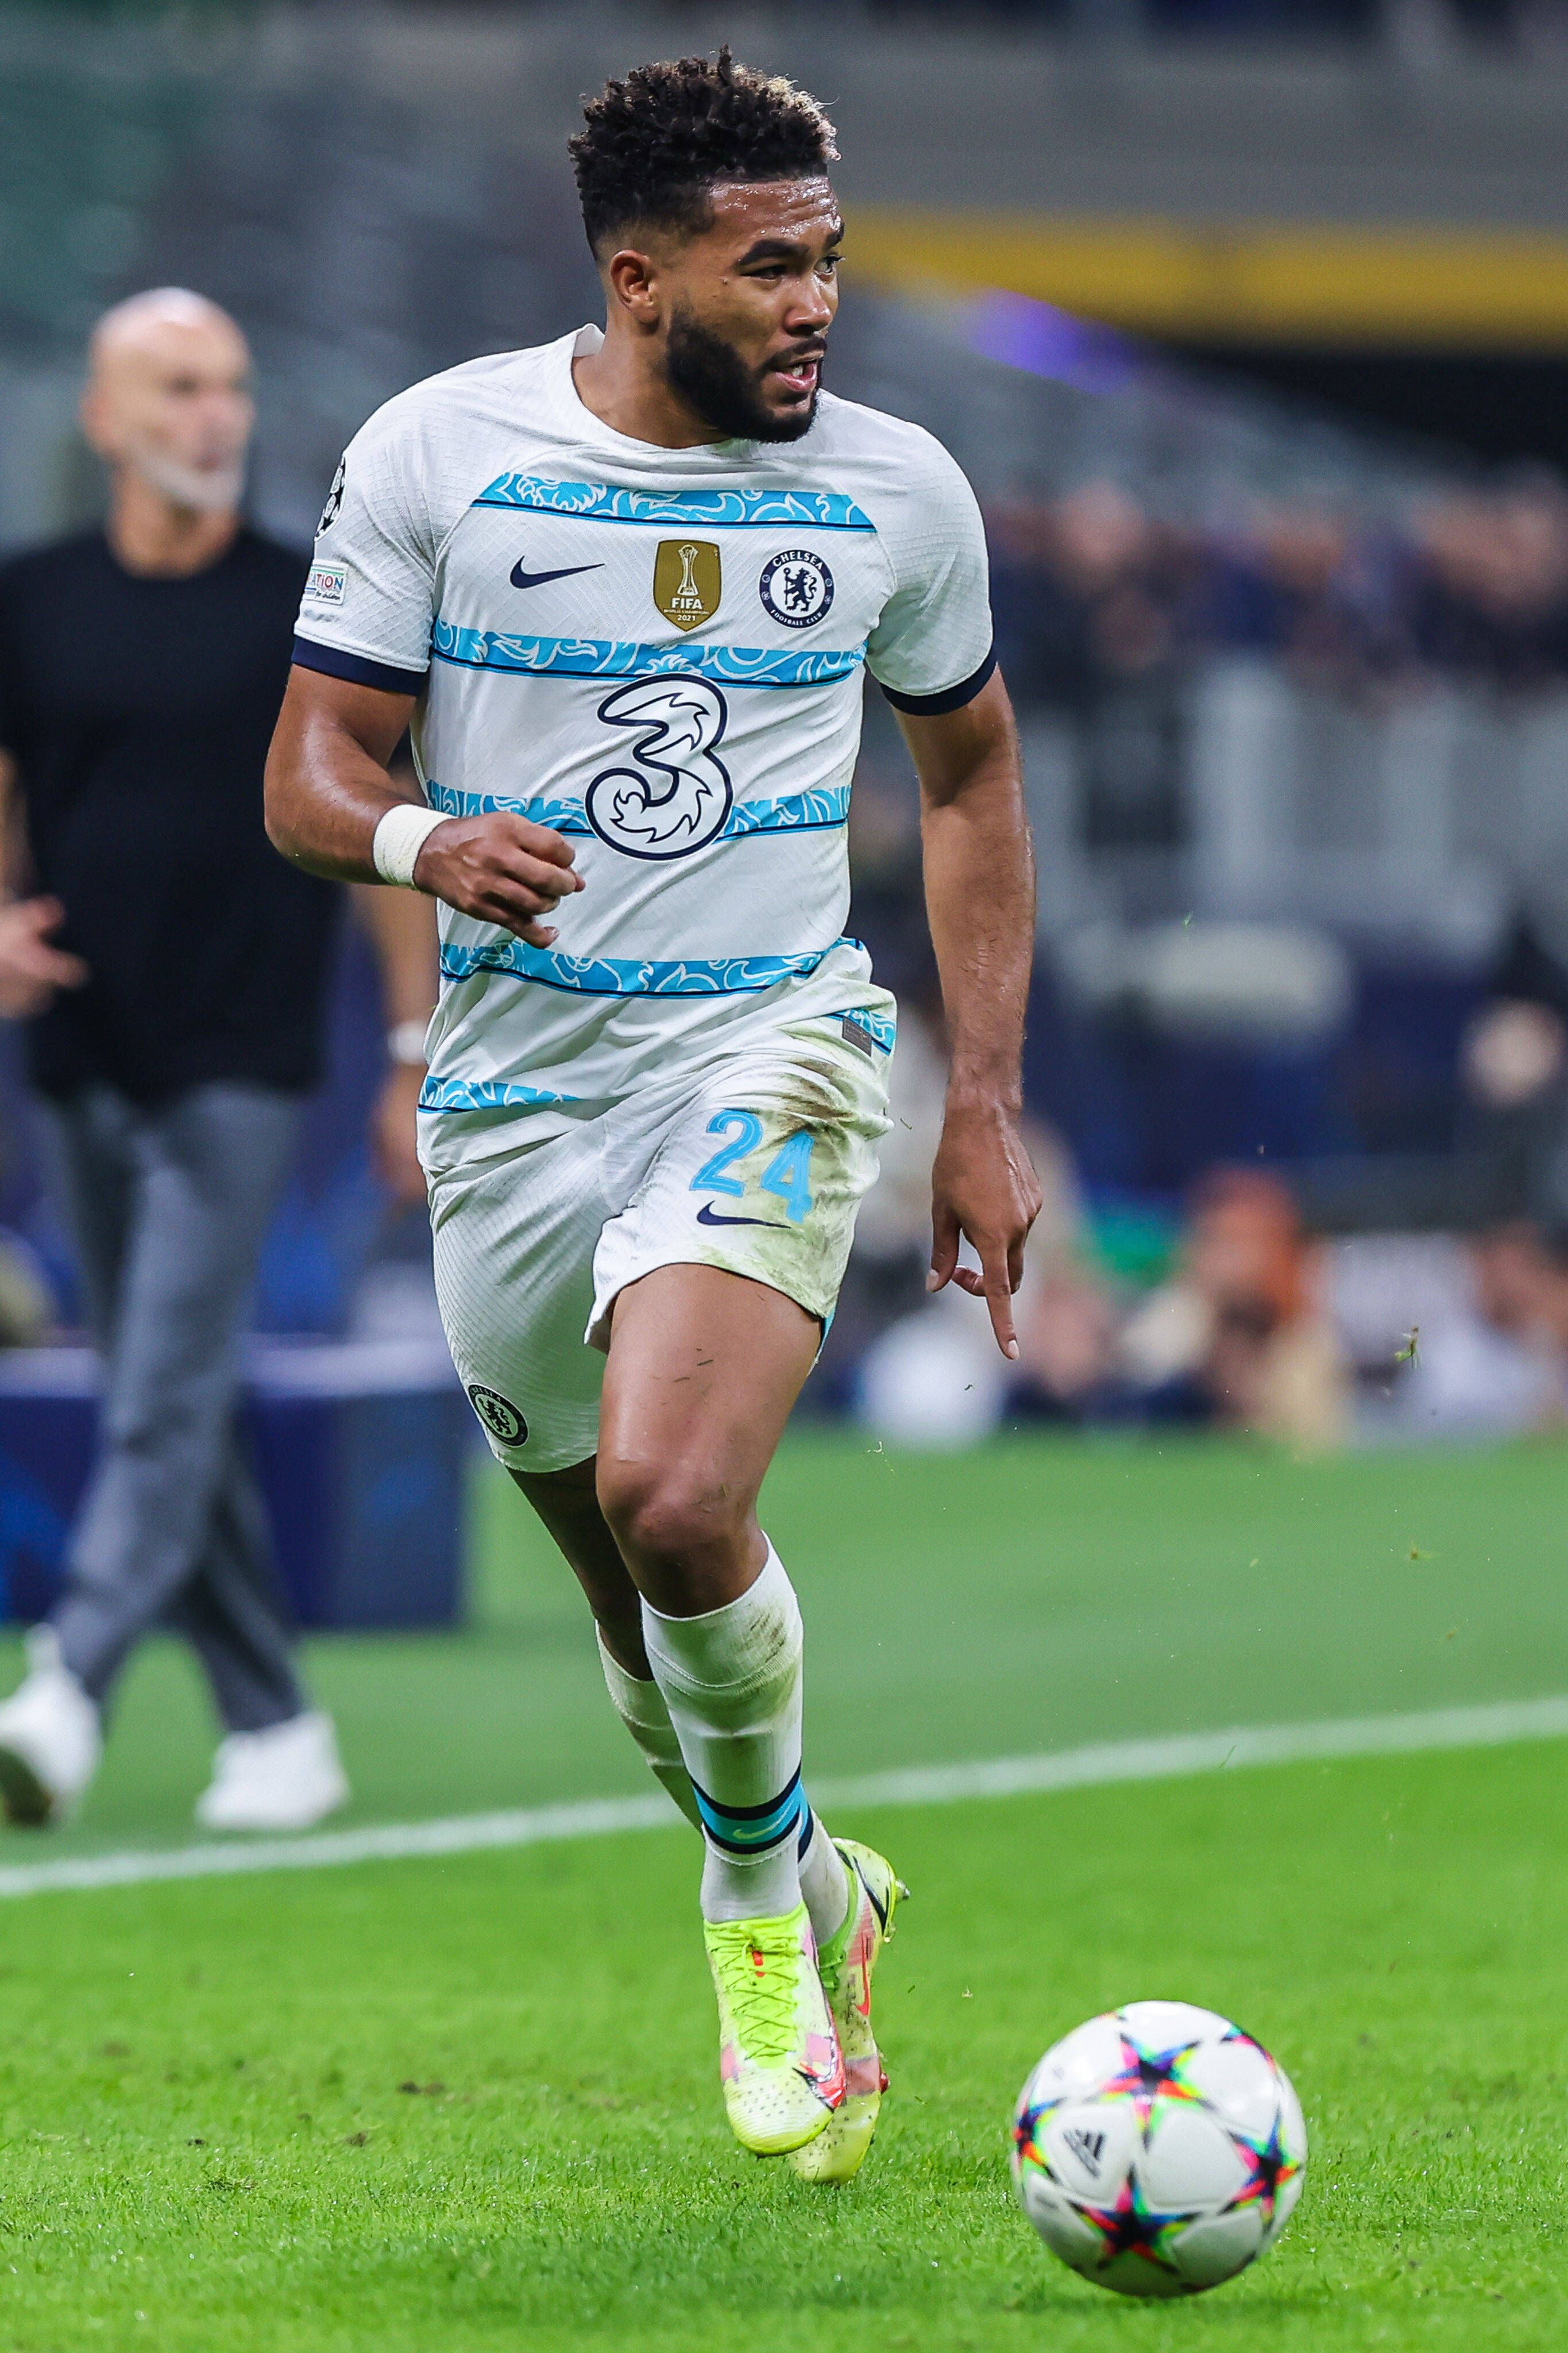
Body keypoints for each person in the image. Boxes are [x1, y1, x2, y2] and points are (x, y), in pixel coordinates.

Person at [265, 52, 1038, 2178]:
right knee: (633, 1616)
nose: (815, 305)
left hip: (768, 1043)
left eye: (830, 264)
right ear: (637, 276)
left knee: (682, 1504)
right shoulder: (443, 451)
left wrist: (984, 1106)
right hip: (520, 1097)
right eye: (768, 266)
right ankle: (813, 1870)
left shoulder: (894, 490)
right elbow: (310, 769)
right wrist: (427, 845)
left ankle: (746, 1920)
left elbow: (966, 784)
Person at [0, 289, 435, 1834]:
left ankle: (66, 1688)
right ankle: (276, 1722)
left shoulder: (302, 610)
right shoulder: (32, 596)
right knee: (155, 1396)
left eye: (232, 388)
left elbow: (387, 829)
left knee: (163, 1387)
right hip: (83, 1049)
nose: (213, 417)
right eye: (178, 389)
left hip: (243, 1060)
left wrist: (406, 1051)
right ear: (106, 419)